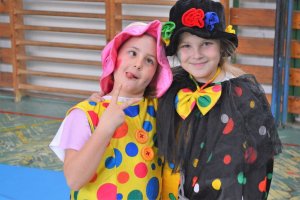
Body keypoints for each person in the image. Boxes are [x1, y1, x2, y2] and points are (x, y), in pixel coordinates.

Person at [157, 0, 282, 199]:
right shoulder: (172, 84)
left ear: (221, 48)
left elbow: (256, 163)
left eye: (206, 44)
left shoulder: (241, 94)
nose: (196, 55)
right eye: (186, 45)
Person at [49, 20, 174, 200]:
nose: (138, 64)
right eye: (132, 53)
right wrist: (104, 129)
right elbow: (74, 180)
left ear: (156, 73)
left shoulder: (159, 108)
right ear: (114, 57)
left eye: (149, 60)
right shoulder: (85, 114)